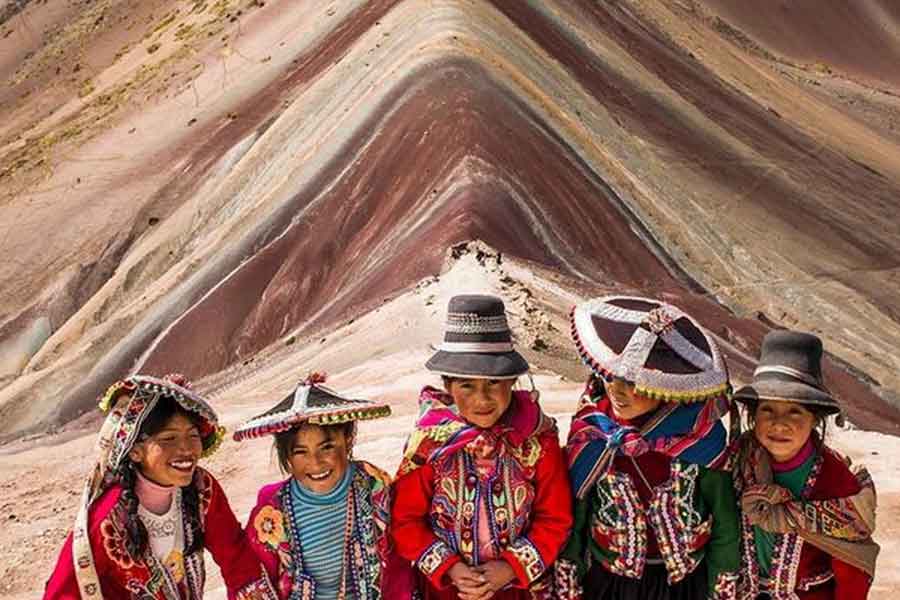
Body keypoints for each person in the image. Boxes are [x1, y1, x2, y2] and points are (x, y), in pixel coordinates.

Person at [390, 294, 573, 599]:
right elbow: (405, 521)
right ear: (447, 387)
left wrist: (510, 568)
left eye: (493, 383)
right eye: (467, 385)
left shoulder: (538, 440)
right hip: (447, 590)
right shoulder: (429, 444)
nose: (482, 399)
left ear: (512, 381)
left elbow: (555, 517)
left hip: (518, 590)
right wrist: (451, 568)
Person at [559, 296, 741, 600]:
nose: (617, 391)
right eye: (611, 378)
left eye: (633, 384)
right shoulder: (592, 432)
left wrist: (722, 588)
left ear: (664, 386)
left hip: (684, 586)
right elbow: (577, 513)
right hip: (609, 584)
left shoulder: (700, 436)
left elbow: (723, 521)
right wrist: (569, 581)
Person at [44, 374, 276, 600]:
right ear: (135, 451)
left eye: (192, 436)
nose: (186, 449)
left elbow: (237, 557)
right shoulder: (108, 516)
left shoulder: (202, 488)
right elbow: (65, 591)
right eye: (169, 439)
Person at [731, 330, 879, 599]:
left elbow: (852, 567)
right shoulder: (741, 460)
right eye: (768, 410)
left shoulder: (835, 482)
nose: (779, 424)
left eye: (795, 411)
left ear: (815, 420)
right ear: (753, 416)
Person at [234, 373, 393, 600]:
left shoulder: (373, 484)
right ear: (286, 454)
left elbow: (399, 559)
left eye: (326, 447)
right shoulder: (272, 511)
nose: (315, 463)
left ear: (347, 438)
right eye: (300, 452)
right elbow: (254, 578)